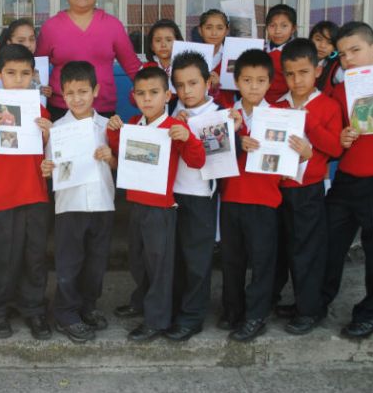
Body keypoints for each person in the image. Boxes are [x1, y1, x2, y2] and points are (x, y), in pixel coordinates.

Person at [107, 66, 206, 341]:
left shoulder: (175, 127)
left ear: (167, 95)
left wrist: (189, 139)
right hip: (136, 203)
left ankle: (156, 320)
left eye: (154, 93)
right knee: (139, 261)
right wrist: (114, 130)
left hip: (161, 209)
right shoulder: (136, 123)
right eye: (141, 93)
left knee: (159, 266)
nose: (147, 99)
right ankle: (142, 301)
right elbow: (119, 150)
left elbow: (197, 161)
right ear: (134, 96)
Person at [320, 22, 373, 339]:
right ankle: (316, 301)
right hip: (347, 177)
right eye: (344, 53)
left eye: (356, 50)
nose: (349, 59)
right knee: (328, 243)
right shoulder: (338, 90)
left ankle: (371, 312)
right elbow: (328, 134)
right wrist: (340, 137)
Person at [0, 44, 54, 340]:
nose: (18, 79)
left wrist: (48, 138)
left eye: (25, 74)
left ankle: (34, 309)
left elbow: (51, 160)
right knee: (3, 256)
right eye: (11, 73)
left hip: (35, 193)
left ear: (34, 75)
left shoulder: (41, 111)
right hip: (2, 195)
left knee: (34, 256)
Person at [160, 51, 236, 341]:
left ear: (208, 82)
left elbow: (218, 162)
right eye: (179, 85)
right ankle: (174, 311)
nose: (186, 91)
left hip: (201, 196)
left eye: (193, 83)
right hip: (171, 194)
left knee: (197, 259)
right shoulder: (169, 111)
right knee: (174, 257)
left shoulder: (220, 114)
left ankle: (192, 318)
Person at [39, 61, 117, 344]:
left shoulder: (107, 126)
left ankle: (88, 306)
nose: (77, 98)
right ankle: (66, 313)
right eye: (70, 93)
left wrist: (110, 157)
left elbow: (120, 164)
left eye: (83, 91)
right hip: (70, 207)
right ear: (62, 94)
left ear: (95, 90)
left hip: (102, 204)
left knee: (96, 262)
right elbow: (49, 165)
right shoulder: (57, 130)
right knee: (69, 262)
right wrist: (46, 169)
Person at [270, 38, 343, 335]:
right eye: (289, 73)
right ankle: (297, 303)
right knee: (282, 249)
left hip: (308, 189)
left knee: (306, 251)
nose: (296, 80)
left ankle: (310, 309)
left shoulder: (328, 106)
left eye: (302, 72)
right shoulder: (277, 106)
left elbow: (335, 149)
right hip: (278, 189)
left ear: (317, 70)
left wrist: (309, 135)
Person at [218, 49, 282, 342]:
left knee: (262, 261)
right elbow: (211, 155)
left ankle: (256, 315)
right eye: (247, 80)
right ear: (236, 81)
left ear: (270, 83)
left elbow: (291, 159)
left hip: (265, 200)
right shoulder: (225, 116)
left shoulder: (281, 117)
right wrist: (234, 137)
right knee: (232, 259)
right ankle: (233, 309)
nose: (254, 86)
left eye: (260, 80)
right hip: (231, 198)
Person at [36, 0, 142, 120]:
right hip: (60, 110)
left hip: (102, 111)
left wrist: (158, 88)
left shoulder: (113, 26)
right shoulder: (51, 27)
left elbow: (134, 68)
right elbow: (35, 68)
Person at [0, 18, 53, 100]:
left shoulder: (40, 65)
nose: (28, 44)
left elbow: (36, 89)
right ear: (9, 43)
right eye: (21, 40)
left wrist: (45, 91)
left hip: (32, 111)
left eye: (32, 39)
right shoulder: (6, 66)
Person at [196, 9, 235, 109]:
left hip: (225, 112)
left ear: (227, 31)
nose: (214, 33)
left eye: (220, 28)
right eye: (208, 28)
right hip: (195, 112)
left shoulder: (233, 56)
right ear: (200, 30)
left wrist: (219, 84)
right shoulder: (192, 56)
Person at [143, 19, 184, 109]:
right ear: (151, 46)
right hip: (155, 116)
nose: (163, 45)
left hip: (183, 113)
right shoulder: (145, 69)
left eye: (169, 40)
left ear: (178, 42)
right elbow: (134, 99)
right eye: (158, 41)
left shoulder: (186, 66)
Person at [263, 4, 298, 104]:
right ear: (266, 27)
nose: (277, 31)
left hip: (288, 105)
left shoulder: (298, 53)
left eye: (284, 26)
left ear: (293, 28)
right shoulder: (259, 49)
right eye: (272, 25)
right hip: (258, 104)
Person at [309, 21, 343, 99]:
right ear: (310, 40)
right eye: (318, 39)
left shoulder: (337, 68)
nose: (322, 46)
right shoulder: (300, 61)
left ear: (335, 47)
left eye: (329, 42)